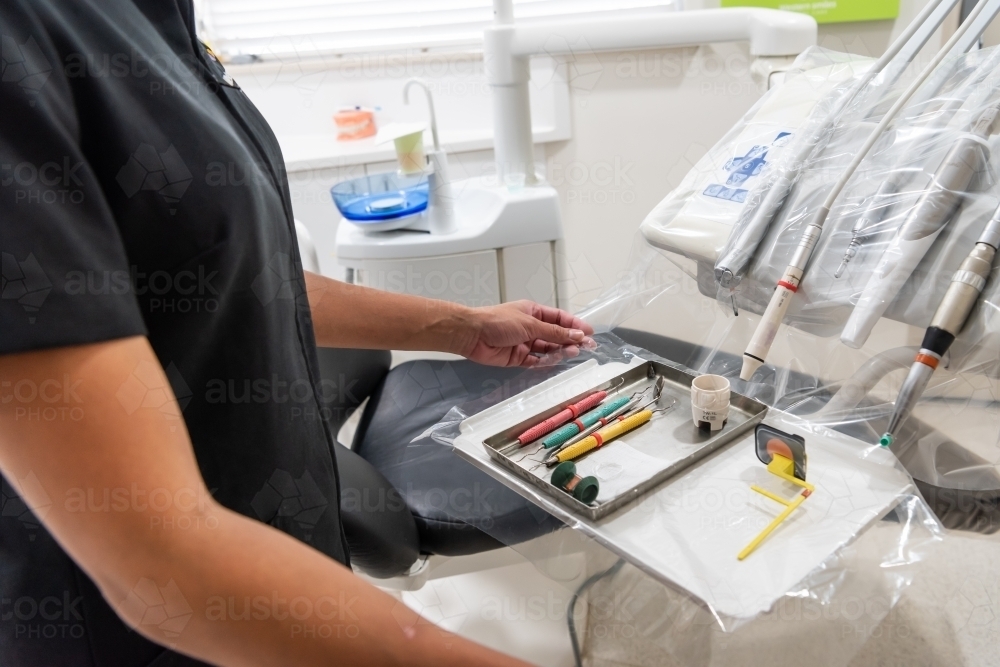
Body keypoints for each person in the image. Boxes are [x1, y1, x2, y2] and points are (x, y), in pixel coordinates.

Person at [0, 1, 594, 665]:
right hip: (167, 631)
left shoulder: (155, 25)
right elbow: (157, 561)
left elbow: (240, 271)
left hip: (286, 553)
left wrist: (466, 327)